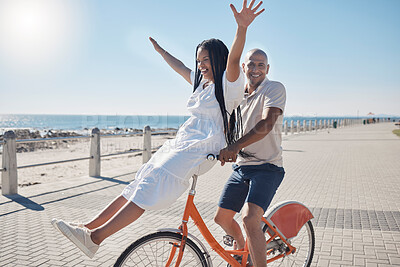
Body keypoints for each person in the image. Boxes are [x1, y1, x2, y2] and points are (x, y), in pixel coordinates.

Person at [51, 0, 264, 259]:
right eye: (199, 61)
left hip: (203, 146)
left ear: (218, 59)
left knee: (151, 187)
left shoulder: (229, 83)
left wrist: (241, 28)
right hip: (184, 141)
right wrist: (161, 52)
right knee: (142, 179)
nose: (201, 66)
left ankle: (96, 238)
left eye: (206, 60)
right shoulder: (203, 85)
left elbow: (235, 58)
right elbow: (180, 68)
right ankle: (87, 229)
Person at [214, 48, 286, 267]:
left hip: (268, 167)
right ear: (243, 67)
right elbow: (226, 126)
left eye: (261, 65)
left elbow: (266, 124)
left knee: (249, 218)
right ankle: (242, 251)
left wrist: (234, 147)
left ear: (267, 69)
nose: (255, 69)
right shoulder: (236, 95)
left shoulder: (274, 88)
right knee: (222, 218)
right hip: (242, 166)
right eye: (251, 64)